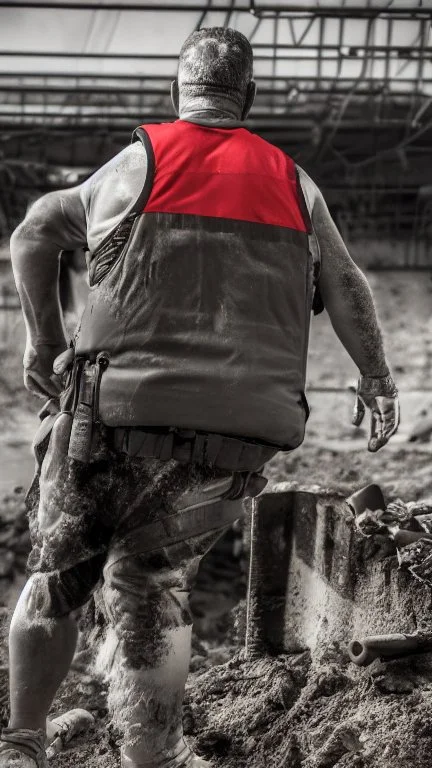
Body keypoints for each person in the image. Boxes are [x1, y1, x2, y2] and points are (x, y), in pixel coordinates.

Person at [3, 26, 399, 768]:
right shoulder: (296, 182)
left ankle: (22, 743)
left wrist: (42, 338)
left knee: (60, 575)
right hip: (236, 435)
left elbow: (33, 232)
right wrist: (375, 378)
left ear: (178, 93)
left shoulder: (132, 165)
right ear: (247, 98)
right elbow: (348, 288)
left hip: (113, 419)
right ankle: (151, 760)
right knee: (156, 584)